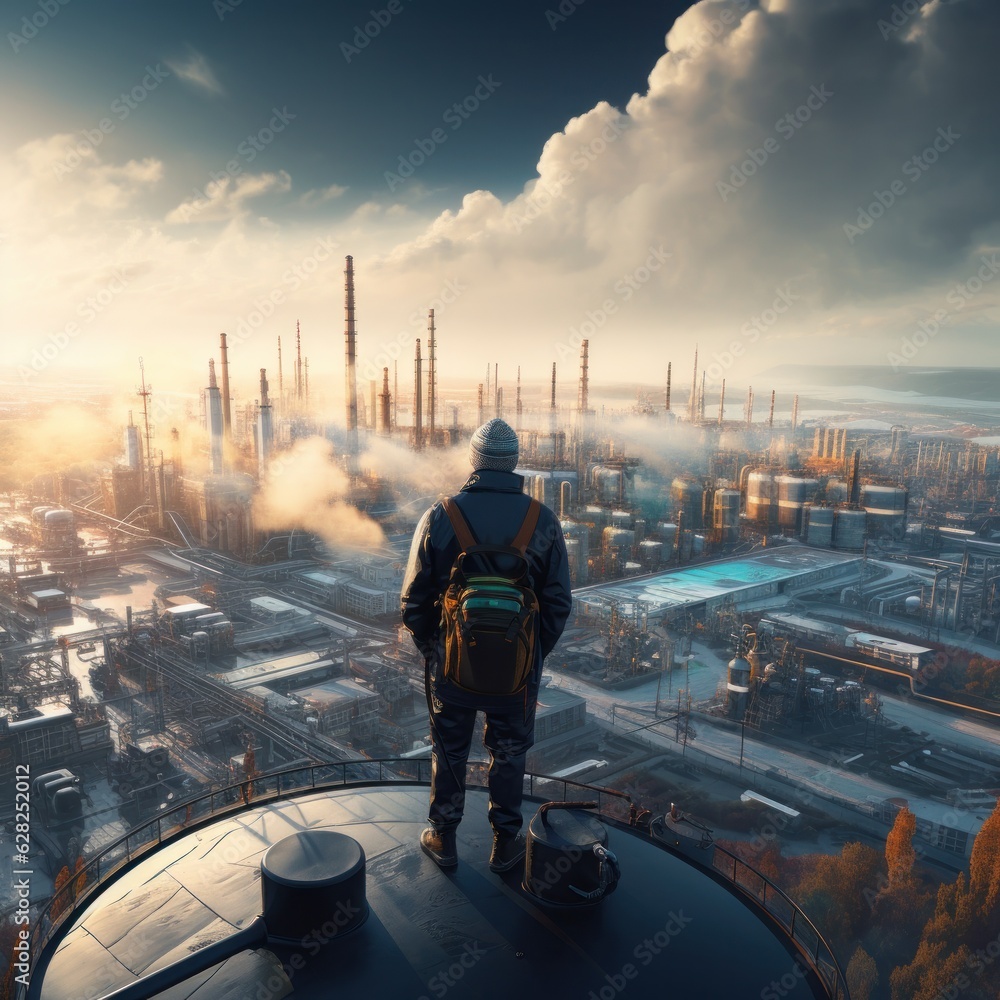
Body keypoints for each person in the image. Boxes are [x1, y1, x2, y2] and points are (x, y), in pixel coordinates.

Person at [400, 418, 572, 872]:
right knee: (510, 752)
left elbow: (412, 601)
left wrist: (436, 648)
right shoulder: (543, 520)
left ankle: (443, 837)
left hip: (452, 669)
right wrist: (529, 655)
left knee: (450, 748)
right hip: (516, 676)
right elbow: (557, 605)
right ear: (514, 463)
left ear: (474, 462)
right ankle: (505, 842)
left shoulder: (440, 515)